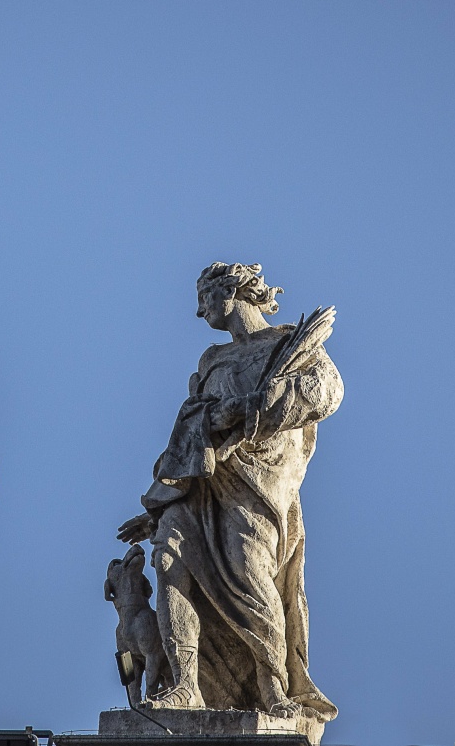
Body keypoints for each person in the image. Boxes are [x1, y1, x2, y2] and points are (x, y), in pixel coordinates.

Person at [118, 262, 341, 722]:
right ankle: (184, 684)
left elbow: (325, 393)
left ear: (232, 291)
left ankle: (272, 686)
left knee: (251, 578)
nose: (200, 313)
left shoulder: (289, 347)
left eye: (205, 298)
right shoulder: (211, 361)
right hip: (199, 491)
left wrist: (248, 407)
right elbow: (188, 428)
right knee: (168, 560)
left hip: (257, 490)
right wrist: (160, 503)